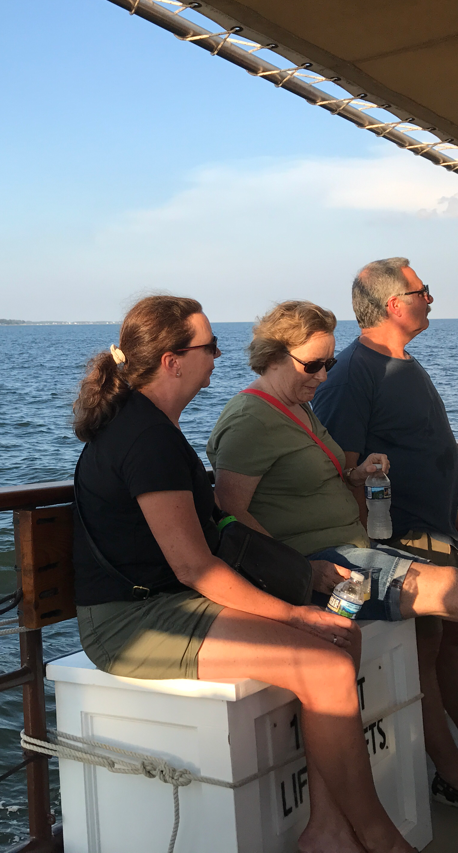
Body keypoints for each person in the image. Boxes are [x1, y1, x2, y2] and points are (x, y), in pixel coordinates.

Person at [209, 299, 458, 821]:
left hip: (350, 553)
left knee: (447, 612)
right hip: (324, 570)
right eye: (312, 365)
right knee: (455, 592)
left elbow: (316, 470)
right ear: (272, 354)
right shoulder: (249, 419)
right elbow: (230, 516)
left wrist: (357, 471)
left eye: (328, 363)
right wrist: (302, 574)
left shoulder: (297, 407)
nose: (323, 376)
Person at [71, 294, 415, 853]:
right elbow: (193, 565)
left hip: (171, 600)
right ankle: (379, 838)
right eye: (209, 346)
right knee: (325, 662)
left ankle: (328, 830)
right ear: (172, 361)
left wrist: (301, 581)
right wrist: (293, 613)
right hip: (131, 622)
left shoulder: (152, 427)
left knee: (341, 637)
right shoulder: (145, 438)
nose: (219, 355)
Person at [311, 259, 458, 820]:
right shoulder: (354, 373)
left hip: (437, 528)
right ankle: (452, 773)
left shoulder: (401, 362)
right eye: (423, 291)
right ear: (394, 304)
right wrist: (371, 545)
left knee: (450, 640)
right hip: (399, 538)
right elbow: (343, 470)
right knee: (423, 650)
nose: (431, 299)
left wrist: (450, 514)